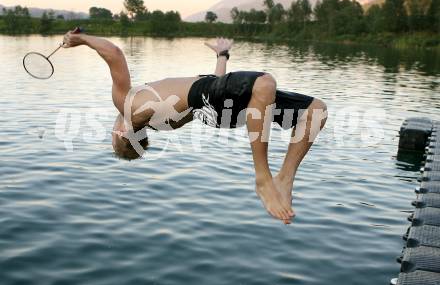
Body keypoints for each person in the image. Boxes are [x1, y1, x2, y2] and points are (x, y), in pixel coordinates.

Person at [62, 31, 327, 224]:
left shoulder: (157, 120)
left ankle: (285, 178)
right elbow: (114, 54)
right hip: (209, 99)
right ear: (122, 133)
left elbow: (217, 85)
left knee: (316, 111)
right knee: (265, 83)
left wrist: (222, 55)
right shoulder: (128, 108)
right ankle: (264, 178)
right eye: (112, 137)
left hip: (220, 111)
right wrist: (82, 39)